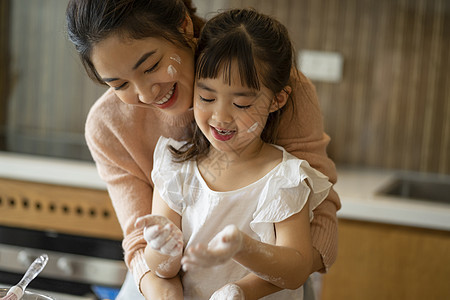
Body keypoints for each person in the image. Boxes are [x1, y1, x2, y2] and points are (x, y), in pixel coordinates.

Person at [65, 0, 341, 299]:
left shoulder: (264, 78)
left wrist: (243, 288)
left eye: (151, 66)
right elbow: (144, 244)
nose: (145, 94)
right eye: (119, 84)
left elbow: (318, 218)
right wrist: (167, 289)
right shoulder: (118, 132)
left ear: (183, 26)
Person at [135, 8, 333, 299]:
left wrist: (242, 252)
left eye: (241, 103)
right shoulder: (176, 167)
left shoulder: (284, 178)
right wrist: (161, 248)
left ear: (277, 99)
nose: (221, 116)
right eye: (206, 97)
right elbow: (162, 270)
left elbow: (296, 269)